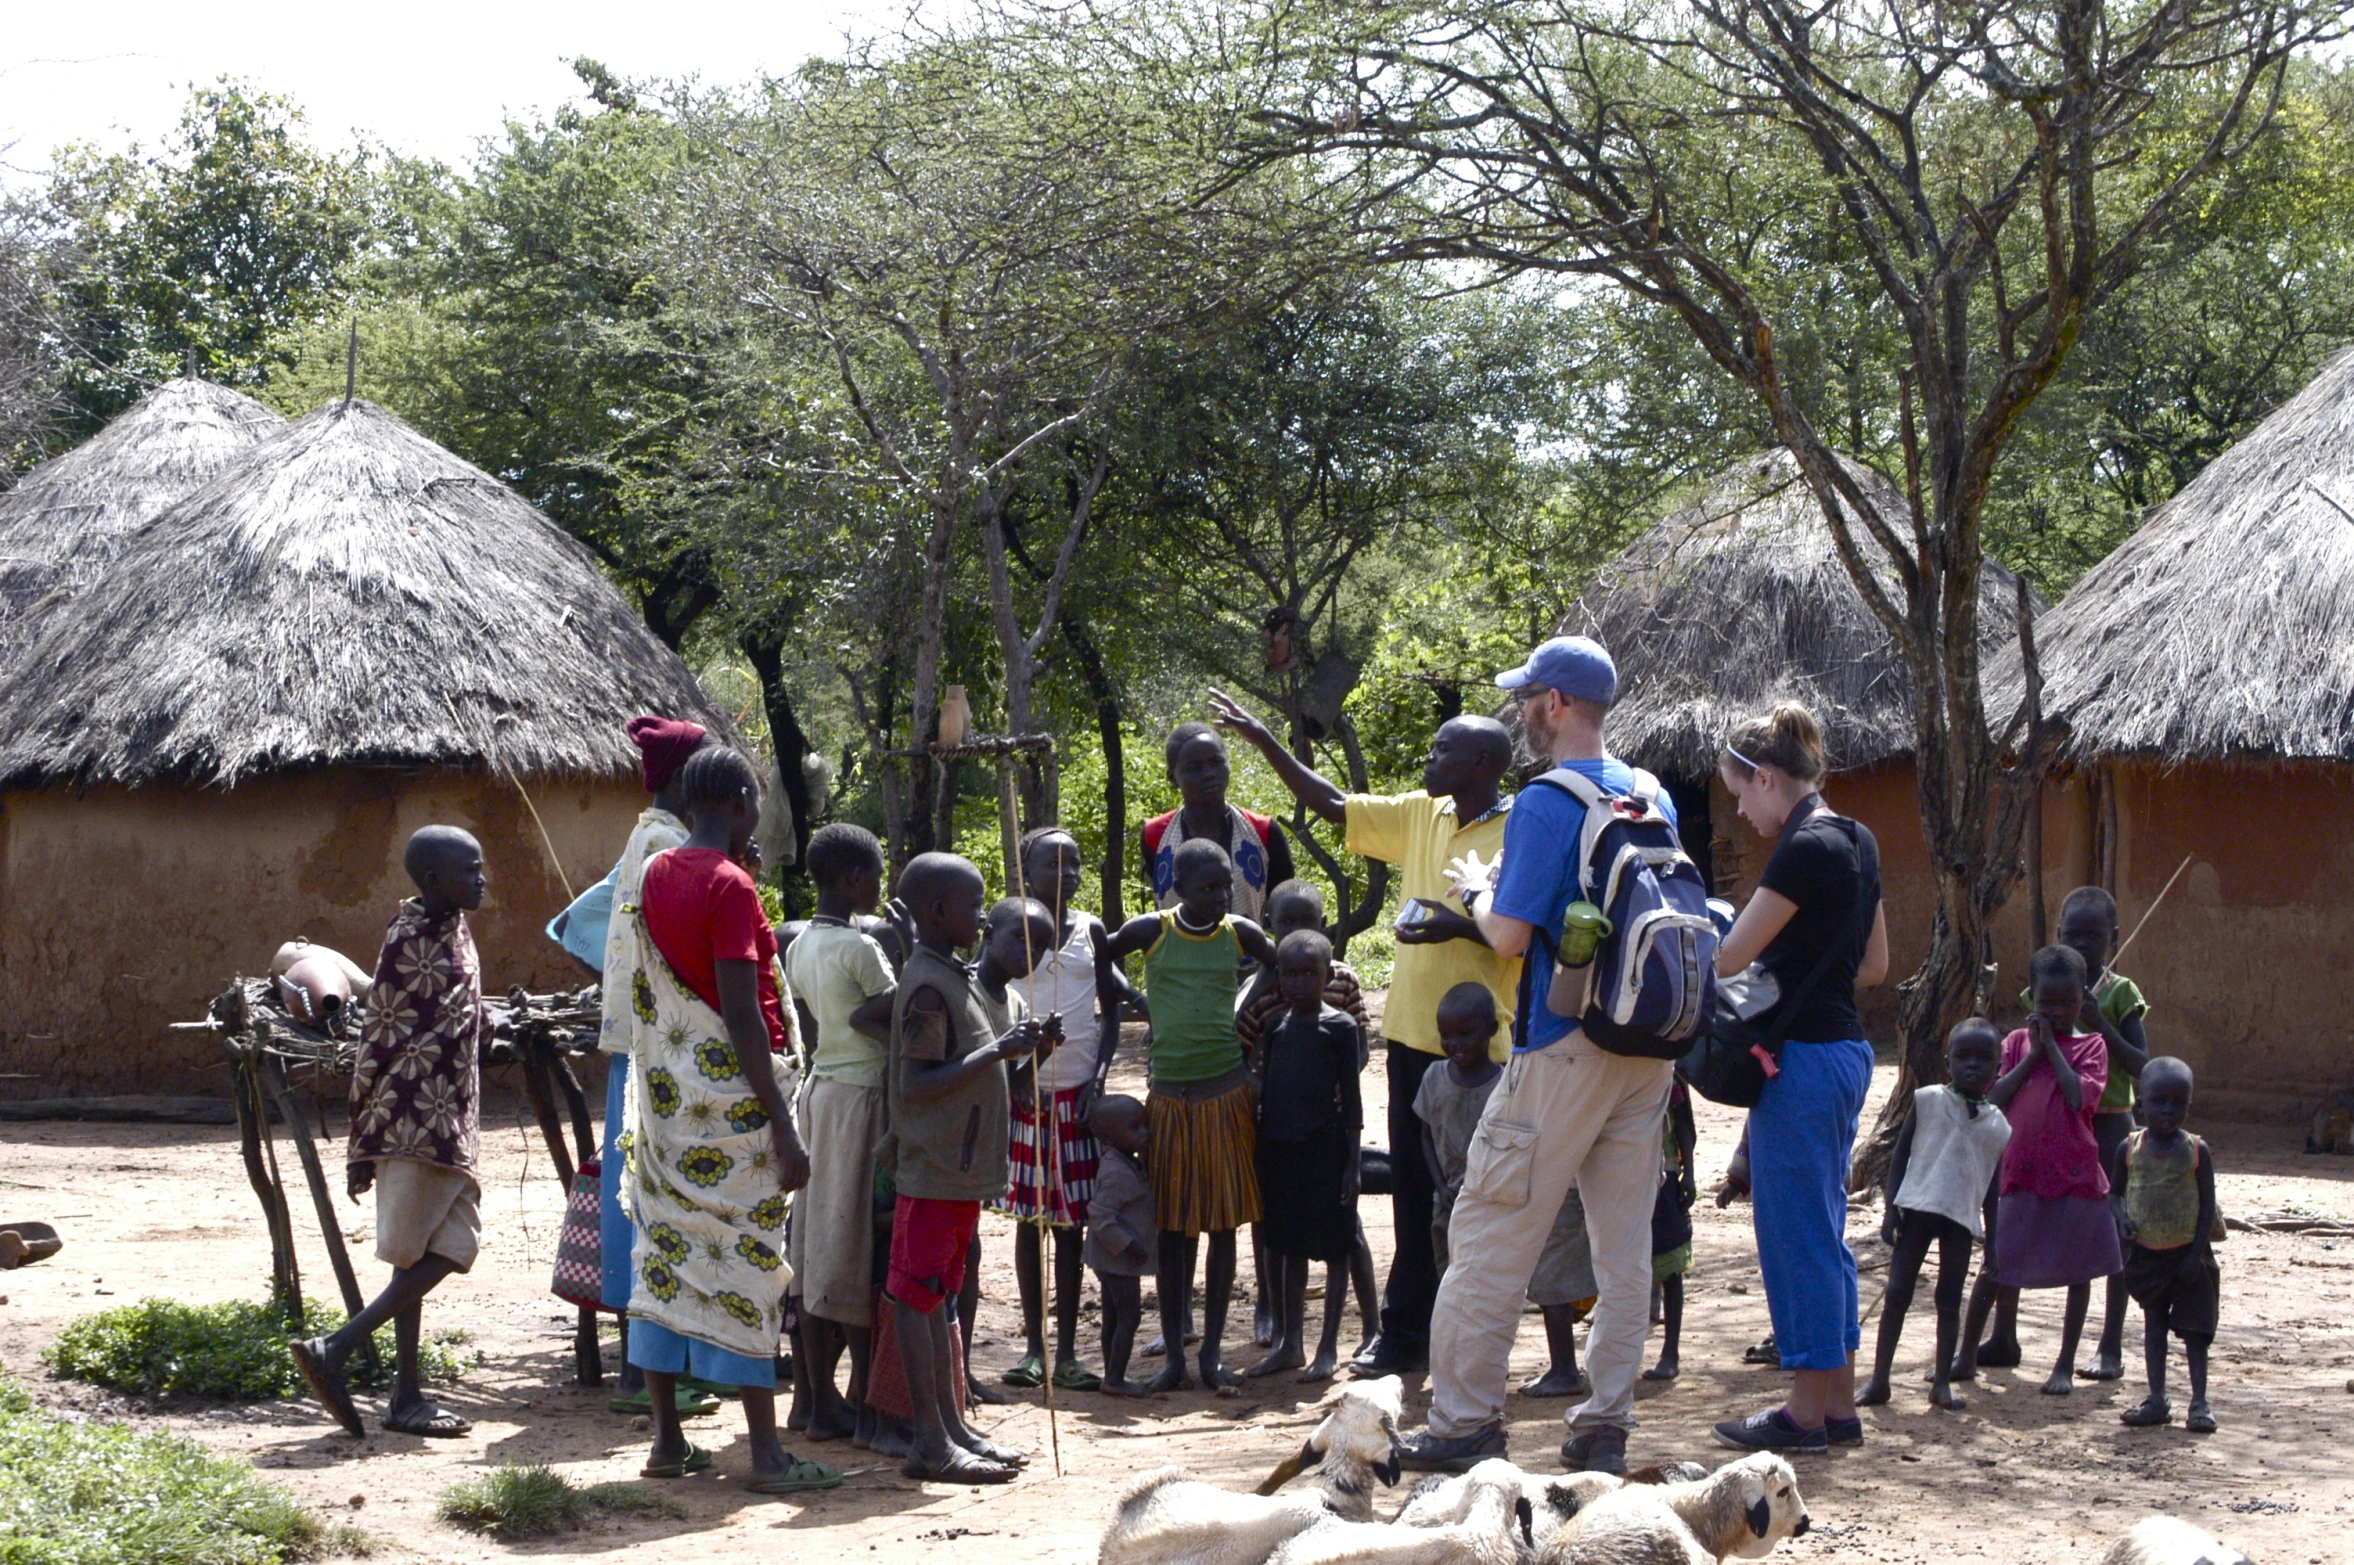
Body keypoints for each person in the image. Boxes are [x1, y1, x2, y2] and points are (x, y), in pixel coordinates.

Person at [1406, 635, 1677, 1477]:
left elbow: (1513, 937)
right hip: (1646, 1048)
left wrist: (1480, 893)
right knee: (1622, 1245)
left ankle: (1464, 1419)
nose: (1521, 710)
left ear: (1555, 705)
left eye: (1528, 695)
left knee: (1487, 1224)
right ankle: (1605, 1421)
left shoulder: (1546, 801)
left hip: (1561, 1047)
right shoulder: (1651, 793)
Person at [1210, 688, 1518, 1375]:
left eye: (1443, 750)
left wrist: (1456, 925)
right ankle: (1406, 1332)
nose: (1429, 759)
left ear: (1480, 764)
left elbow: (1525, 933)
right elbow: (1333, 802)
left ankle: (1469, 1332)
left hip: (1481, 1044)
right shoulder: (1421, 812)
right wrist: (1265, 741)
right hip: (1413, 1035)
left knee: (1473, 1193)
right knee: (1412, 1185)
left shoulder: (1520, 830)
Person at [621, 746, 839, 1494]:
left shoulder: (655, 873)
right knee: (745, 1259)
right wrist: (782, 1125)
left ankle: (667, 1441)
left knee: (670, 1249)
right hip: (735, 1114)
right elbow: (742, 1016)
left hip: (671, 1108)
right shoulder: (731, 886)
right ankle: (767, 1455)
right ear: (744, 802)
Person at [1709, 701, 1890, 1458]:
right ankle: (1838, 1403)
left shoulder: (1802, 845)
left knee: (1798, 1238)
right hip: (1846, 1052)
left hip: (1802, 1063)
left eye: (1742, 792)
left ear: (1771, 777)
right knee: (1824, 1233)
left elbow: (1728, 957)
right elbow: (1876, 964)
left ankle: (1804, 1411)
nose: (1742, 809)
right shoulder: (1859, 837)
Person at [290, 826, 489, 1440]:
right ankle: (338, 1347)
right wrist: (363, 1139)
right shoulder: (408, 941)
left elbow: (450, 1012)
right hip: (415, 1120)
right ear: (432, 880)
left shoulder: (453, 927)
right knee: (450, 1249)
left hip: (444, 1119)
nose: (482, 880)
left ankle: (406, 1397)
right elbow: (380, 1033)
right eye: (470, 870)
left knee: (420, 1254)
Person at [547, 714, 716, 1415]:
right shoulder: (674, 847)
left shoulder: (643, 838)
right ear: (684, 781)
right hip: (668, 1047)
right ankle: (654, 1366)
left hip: (638, 1041)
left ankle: (635, 1363)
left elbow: (577, 919)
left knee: (635, 1186)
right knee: (663, 1190)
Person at [887, 853, 1056, 1483]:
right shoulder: (928, 985)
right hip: (932, 1170)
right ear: (937, 912)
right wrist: (999, 1048)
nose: (982, 915)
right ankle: (930, 1439)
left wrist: (1023, 1050)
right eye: (974, 904)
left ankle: (952, 1425)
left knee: (938, 1296)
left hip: (958, 1173)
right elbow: (917, 1082)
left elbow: (985, 1075)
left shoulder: (953, 978)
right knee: (919, 1295)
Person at [1096, 837, 1280, 1394]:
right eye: (1209, 888)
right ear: (1178, 887)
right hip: (1170, 1100)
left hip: (1226, 1096)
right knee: (1174, 1232)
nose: (1221, 896)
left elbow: (1276, 964)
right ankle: (1176, 1353)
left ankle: (1213, 1356)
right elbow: (1101, 956)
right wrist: (1138, 1003)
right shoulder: (1152, 931)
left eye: (1227, 885)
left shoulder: (1240, 935)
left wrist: (1243, 1009)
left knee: (1223, 1226)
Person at [999, 826, 1130, 1394]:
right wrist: (1016, 1076)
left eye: (1074, 864)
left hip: (1078, 1098)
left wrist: (1098, 1079)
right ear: (1028, 872)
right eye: (1053, 865)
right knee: (1032, 1223)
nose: (1067, 874)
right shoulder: (1015, 930)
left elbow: (1110, 1012)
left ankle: (1070, 1350)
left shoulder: (1091, 932)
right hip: (1028, 1095)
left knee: (1072, 1225)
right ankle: (1034, 1348)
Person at [782, 823, 899, 1443]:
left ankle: (814, 1398)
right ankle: (852, 1399)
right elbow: (893, 1011)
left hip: (821, 1095)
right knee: (853, 1244)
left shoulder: (799, 945)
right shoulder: (861, 949)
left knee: (816, 1242)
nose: (878, 885)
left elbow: (820, 1022)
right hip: (861, 1099)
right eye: (876, 874)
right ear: (855, 880)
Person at [1967, 945, 2123, 1399]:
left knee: (2079, 1270)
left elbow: (2078, 1099)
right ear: (2030, 998)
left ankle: (2064, 1364)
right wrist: (2034, 1052)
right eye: (2046, 1003)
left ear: (2081, 1001)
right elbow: (1994, 1098)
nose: (2056, 1012)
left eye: (2066, 1003)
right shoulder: (2015, 1044)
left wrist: (2053, 1048)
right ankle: (1969, 1352)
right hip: (2020, 1170)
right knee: (1998, 1263)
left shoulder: (2091, 1046)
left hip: (2075, 1172)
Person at [1234, 878, 1377, 1354]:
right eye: (1286, 922)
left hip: (1330, 1130)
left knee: (1345, 1233)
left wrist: (1329, 1087)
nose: (1296, 930)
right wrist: (1272, 1094)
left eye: (1306, 921)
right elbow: (1245, 1056)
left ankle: (1372, 1326)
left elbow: (1358, 1048)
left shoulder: (1341, 982)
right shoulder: (1263, 995)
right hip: (1280, 1132)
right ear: (1268, 926)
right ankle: (1277, 1320)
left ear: (1324, 929)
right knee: (1279, 1232)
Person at [1857, 1019, 2011, 1412]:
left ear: (1999, 1067)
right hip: (1918, 1209)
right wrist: (1891, 1209)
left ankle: (1942, 1382)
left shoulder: (1998, 1126)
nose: (1972, 1065)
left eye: (1984, 1058)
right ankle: (1879, 1380)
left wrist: (1993, 1239)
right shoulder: (1927, 1100)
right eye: (1963, 1057)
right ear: (1947, 1061)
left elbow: (1991, 1188)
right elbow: (1900, 1155)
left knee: (1948, 1300)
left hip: (1960, 1219)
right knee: (1896, 1295)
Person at [2058, 887, 2151, 1382]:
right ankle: (2005, 1335)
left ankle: (2110, 1343)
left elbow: (2142, 1066)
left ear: (2113, 940)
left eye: (2094, 937)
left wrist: (2100, 1027)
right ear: (2058, 937)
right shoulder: (2050, 985)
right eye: (2073, 935)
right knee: (2067, 1231)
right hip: (2066, 1125)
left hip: (2113, 1122)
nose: (2083, 945)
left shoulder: (2120, 994)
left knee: (2114, 1235)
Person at [2112, 1057, 2219, 1433]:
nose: (2168, 1110)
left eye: (2179, 1102)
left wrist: (2194, 1254)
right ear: (2141, 1104)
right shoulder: (2130, 1147)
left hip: (2189, 1258)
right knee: (2153, 1326)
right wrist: (2122, 1218)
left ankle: (2200, 1402)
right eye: (2159, 1101)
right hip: (2146, 1256)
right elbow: (2114, 1195)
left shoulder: (2195, 1151)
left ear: (2190, 1105)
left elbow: (2207, 1206)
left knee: (2195, 1333)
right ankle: (2157, 1398)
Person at [1142, 721, 1295, 923]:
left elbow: (1285, 911)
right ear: (1172, 777)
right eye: (1194, 767)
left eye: (1216, 762)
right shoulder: (1155, 835)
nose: (1208, 773)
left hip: (1248, 952)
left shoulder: (1262, 832)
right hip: (1175, 954)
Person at [1416, 983, 1504, 1279]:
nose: (1454, 1043)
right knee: (1449, 1275)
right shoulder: (1434, 1077)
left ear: (1491, 1029)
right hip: (1447, 1201)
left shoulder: (1503, 1088)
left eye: (1465, 1034)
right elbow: (1426, 1135)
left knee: (1486, 1276)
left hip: (1489, 1204)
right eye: (1445, 1035)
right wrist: (1440, 1186)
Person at [1085, 1094, 1156, 1398]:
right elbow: (1100, 1217)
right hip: (1116, 1261)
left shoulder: (1127, 1161)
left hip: (1112, 1260)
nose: (1145, 1133)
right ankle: (1114, 1378)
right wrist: (1129, 1245)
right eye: (1135, 1128)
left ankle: (1112, 1373)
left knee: (1113, 1316)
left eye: (1144, 1125)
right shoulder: (1116, 1172)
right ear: (1109, 1137)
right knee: (1129, 1316)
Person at [1644, 1083, 1699, 1384]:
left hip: (1665, 1180)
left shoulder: (1671, 1075)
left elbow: (1685, 1127)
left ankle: (1670, 1353)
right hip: (1624, 1179)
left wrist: (1688, 1174)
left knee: (1670, 1267)